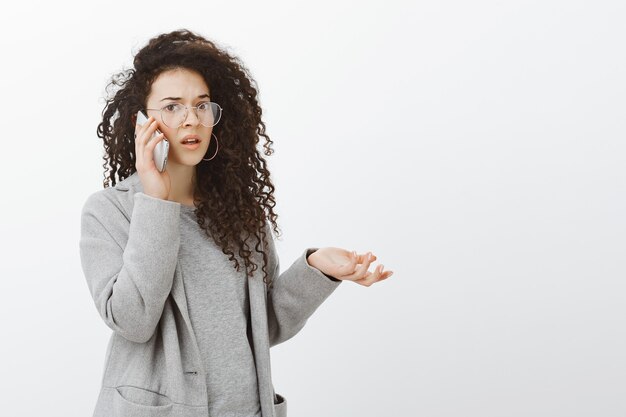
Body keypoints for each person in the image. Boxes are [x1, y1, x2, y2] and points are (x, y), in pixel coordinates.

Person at [79, 28, 394, 417]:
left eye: (202, 105)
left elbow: (264, 326)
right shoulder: (110, 211)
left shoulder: (238, 211)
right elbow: (133, 320)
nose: (191, 119)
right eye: (173, 106)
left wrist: (316, 270)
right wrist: (157, 202)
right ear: (141, 120)